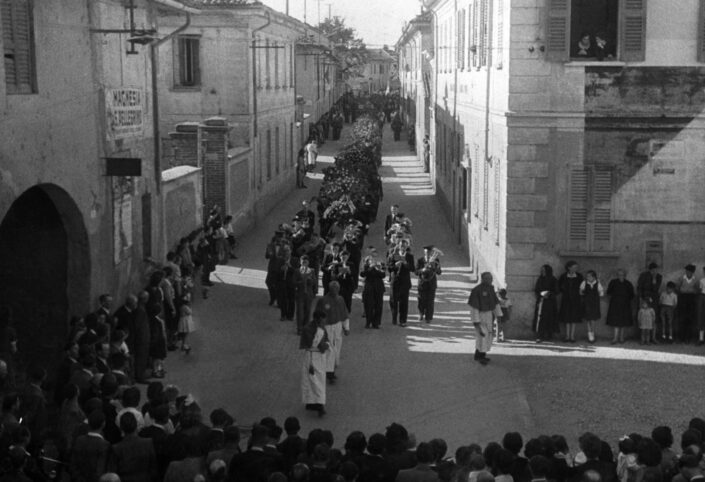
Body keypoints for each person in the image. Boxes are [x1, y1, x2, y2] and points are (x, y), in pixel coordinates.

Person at [314, 281, 350, 384]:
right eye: (333, 289)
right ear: (330, 289)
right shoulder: (323, 300)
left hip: (337, 326)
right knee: (330, 350)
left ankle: (331, 368)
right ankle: (330, 373)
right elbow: (318, 316)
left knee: (336, 347)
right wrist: (319, 329)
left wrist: (346, 327)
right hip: (327, 327)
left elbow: (344, 313)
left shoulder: (340, 299)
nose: (335, 291)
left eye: (337, 289)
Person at [468, 272, 503, 365]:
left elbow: (495, 303)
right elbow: (474, 308)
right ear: (483, 279)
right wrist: (476, 321)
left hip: (489, 315)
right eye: (488, 278)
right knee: (482, 335)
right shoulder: (476, 290)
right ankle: (479, 356)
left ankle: (482, 355)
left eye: (491, 278)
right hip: (480, 315)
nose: (490, 280)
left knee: (488, 336)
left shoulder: (491, 289)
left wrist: (498, 315)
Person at [300, 311, 330, 417]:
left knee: (314, 380)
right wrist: (325, 346)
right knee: (316, 382)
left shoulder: (319, 328)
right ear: (318, 319)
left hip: (318, 357)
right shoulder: (310, 329)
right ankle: (319, 404)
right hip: (313, 357)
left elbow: (325, 340)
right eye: (323, 320)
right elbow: (317, 344)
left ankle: (311, 402)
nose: (324, 322)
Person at [388, 241, 415, 327]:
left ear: (406, 247)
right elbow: (389, 268)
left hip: (405, 282)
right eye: (401, 246)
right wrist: (395, 265)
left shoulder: (409, 256)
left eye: (404, 246)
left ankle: (403, 320)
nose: (402, 247)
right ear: (398, 246)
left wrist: (406, 263)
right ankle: (394, 318)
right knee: (393, 301)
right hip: (395, 281)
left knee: (404, 302)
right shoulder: (393, 255)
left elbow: (413, 268)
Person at [606, 269, 635, 344]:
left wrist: (625, 299)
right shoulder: (613, 282)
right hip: (615, 304)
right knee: (615, 321)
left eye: (622, 275)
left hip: (625, 305)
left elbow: (632, 295)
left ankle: (621, 338)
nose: (620, 276)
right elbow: (609, 292)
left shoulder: (628, 283)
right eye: (619, 274)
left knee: (623, 322)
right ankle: (615, 338)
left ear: (625, 275)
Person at [360, 249, 386, 329]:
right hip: (369, 287)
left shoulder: (380, 264)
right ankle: (368, 322)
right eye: (372, 254)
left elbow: (383, 275)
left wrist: (378, 269)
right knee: (368, 305)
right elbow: (362, 274)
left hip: (378, 287)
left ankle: (376, 323)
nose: (373, 256)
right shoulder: (366, 265)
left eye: (375, 253)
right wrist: (370, 268)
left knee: (378, 306)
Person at [416, 245, 442, 323]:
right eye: (426, 253)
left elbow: (439, 272)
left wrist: (434, 267)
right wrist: (422, 270)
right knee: (421, 300)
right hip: (422, 283)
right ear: (424, 253)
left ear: (431, 253)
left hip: (431, 284)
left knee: (430, 301)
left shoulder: (435, 260)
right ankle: (421, 313)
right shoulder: (420, 260)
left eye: (429, 252)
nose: (427, 254)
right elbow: (416, 272)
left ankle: (428, 317)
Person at [558, 261, 583, 343]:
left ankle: (572, 336)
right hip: (566, 300)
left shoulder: (579, 276)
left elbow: (582, 287)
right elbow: (560, 287)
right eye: (574, 267)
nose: (576, 269)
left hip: (576, 300)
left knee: (574, 318)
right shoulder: (563, 276)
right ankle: (567, 336)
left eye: (576, 267)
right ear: (569, 267)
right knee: (567, 318)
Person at [533, 265, 559, 343]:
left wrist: (549, 293)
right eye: (542, 270)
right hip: (541, 301)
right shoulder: (540, 279)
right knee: (540, 318)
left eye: (544, 271)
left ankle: (549, 335)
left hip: (550, 302)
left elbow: (557, 290)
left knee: (550, 318)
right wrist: (541, 294)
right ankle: (540, 335)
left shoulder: (553, 279)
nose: (542, 272)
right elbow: (536, 290)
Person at [294, 255, 317, 335]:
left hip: (309, 294)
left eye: (306, 262)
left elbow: (315, 282)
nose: (304, 264)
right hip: (300, 294)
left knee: (307, 311)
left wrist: (310, 281)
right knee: (300, 312)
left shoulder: (312, 271)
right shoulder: (297, 271)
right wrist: (300, 282)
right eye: (303, 262)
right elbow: (293, 282)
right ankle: (299, 328)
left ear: (308, 263)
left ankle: (305, 327)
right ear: (300, 262)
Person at [580, 270, 604, 344]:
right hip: (587, 303)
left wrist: (595, 296)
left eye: (589, 276)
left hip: (594, 304)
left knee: (593, 319)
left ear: (593, 277)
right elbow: (580, 291)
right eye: (587, 276)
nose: (587, 277)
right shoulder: (584, 283)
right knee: (588, 319)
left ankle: (592, 334)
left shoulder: (597, 283)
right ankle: (589, 335)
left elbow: (601, 293)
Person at [677, 264, 698, 343]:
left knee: (690, 318)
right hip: (683, 298)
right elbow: (678, 288)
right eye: (687, 271)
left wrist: (692, 291)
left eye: (689, 271)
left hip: (691, 299)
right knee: (682, 318)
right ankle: (681, 337)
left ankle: (688, 337)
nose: (688, 272)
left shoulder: (695, 280)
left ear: (692, 272)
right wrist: (682, 292)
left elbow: (697, 290)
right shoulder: (682, 278)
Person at [697, 266, 705, 345]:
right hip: (702, 297)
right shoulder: (702, 280)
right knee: (701, 317)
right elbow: (700, 290)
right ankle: (701, 339)